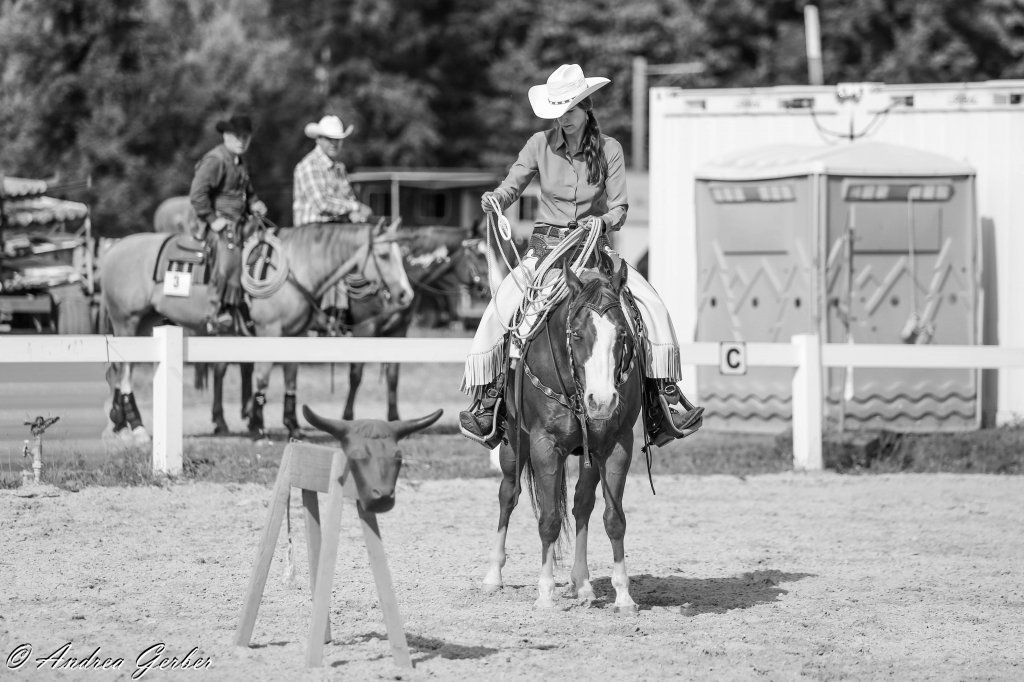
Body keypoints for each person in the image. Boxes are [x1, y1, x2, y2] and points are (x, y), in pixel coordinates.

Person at [459, 63, 704, 447]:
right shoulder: (538, 144)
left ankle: (664, 398)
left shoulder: (610, 149)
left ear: (586, 108)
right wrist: (496, 199)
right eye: (557, 112)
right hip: (547, 249)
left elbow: (619, 208)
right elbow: (512, 185)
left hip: (594, 250)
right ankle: (489, 401)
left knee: (651, 305)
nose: (563, 119)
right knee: (501, 310)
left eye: (570, 110)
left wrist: (601, 221)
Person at [189, 114, 267, 334]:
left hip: (239, 223)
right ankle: (217, 311)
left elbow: (247, 192)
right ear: (226, 136)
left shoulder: (240, 162)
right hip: (216, 224)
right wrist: (212, 220)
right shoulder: (215, 160)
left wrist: (255, 203)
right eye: (237, 136)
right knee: (228, 256)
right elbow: (197, 194)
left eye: (246, 137)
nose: (242, 141)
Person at [293, 115, 373, 226]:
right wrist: (356, 207)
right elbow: (322, 205)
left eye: (337, 139)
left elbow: (348, 197)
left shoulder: (339, 167)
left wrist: (354, 213)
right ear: (318, 139)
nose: (334, 143)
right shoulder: (309, 165)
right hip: (312, 230)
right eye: (329, 139)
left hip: (335, 228)